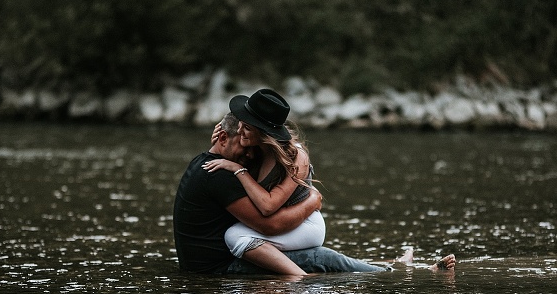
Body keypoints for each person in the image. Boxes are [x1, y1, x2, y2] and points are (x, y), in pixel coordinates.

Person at [172, 88, 456, 277]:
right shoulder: (222, 172)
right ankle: (388, 269)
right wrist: (313, 200)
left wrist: (311, 200)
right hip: (219, 268)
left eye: (248, 132)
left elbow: (268, 215)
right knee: (315, 258)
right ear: (221, 138)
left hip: (225, 258)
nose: (246, 149)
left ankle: (397, 271)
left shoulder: (229, 162)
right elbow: (268, 225)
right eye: (240, 134)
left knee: (316, 256)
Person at [202, 89, 325, 276]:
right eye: (241, 125)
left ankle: (298, 276)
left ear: (264, 133)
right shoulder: (256, 149)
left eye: (247, 129)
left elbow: (268, 206)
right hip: (278, 220)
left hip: (305, 225)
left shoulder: (296, 157)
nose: (239, 131)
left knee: (234, 235)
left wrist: (238, 170)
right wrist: (220, 146)